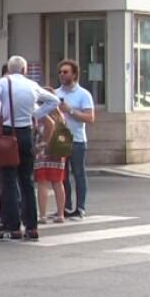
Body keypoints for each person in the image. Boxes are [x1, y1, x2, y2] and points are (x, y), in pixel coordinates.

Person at [0, 55, 60, 241]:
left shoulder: (3, 83)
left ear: (9, 69)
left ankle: (13, 225)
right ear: (25, 70)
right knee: (26, 181)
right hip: (26, 133)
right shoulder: (32, 85)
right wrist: (35, 114)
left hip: (8, 133)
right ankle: (31, 226)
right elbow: (53, 101)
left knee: (8, 180)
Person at [56, 60, 95, 220]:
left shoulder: (83, 94)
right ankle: (65, 206)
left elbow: (90, 117)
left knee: (78, 173)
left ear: (74, 74)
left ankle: (80, 207)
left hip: (77, 139)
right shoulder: (57, 93)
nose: (62, 75)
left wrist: (70, 110)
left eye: (66, 72)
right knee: (61, 176)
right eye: (60, 72)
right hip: (60, 138)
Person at [35, 106, 68, 224]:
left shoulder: (43, 115)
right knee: (58, 183)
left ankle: (42, 215)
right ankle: (60, 214)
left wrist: (43, 144)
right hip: (58, 152)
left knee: (42, 182)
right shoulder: (60, 116)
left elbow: (48, 127)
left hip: (44, 151)